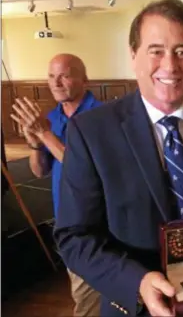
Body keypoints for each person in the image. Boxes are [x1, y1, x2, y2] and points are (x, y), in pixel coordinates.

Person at [53, 0, 183, 317]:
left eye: (181, 52)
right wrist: (138, 282)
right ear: (133, 56)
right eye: (155, 50)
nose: (170, 66)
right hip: (136, 305)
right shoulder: (92, 132)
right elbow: (75, 237)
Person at [10, 53, 103, 317]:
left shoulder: (101, 116)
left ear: (84, 79)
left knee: (87, 303)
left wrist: (44, 133)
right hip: (66, 220)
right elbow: (39, 171)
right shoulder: (51, 118)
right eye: (51, 76)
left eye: (64, 74)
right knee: (85, 295)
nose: (56, 82)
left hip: (95, 224)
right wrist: (34, 142)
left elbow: (82, 168)